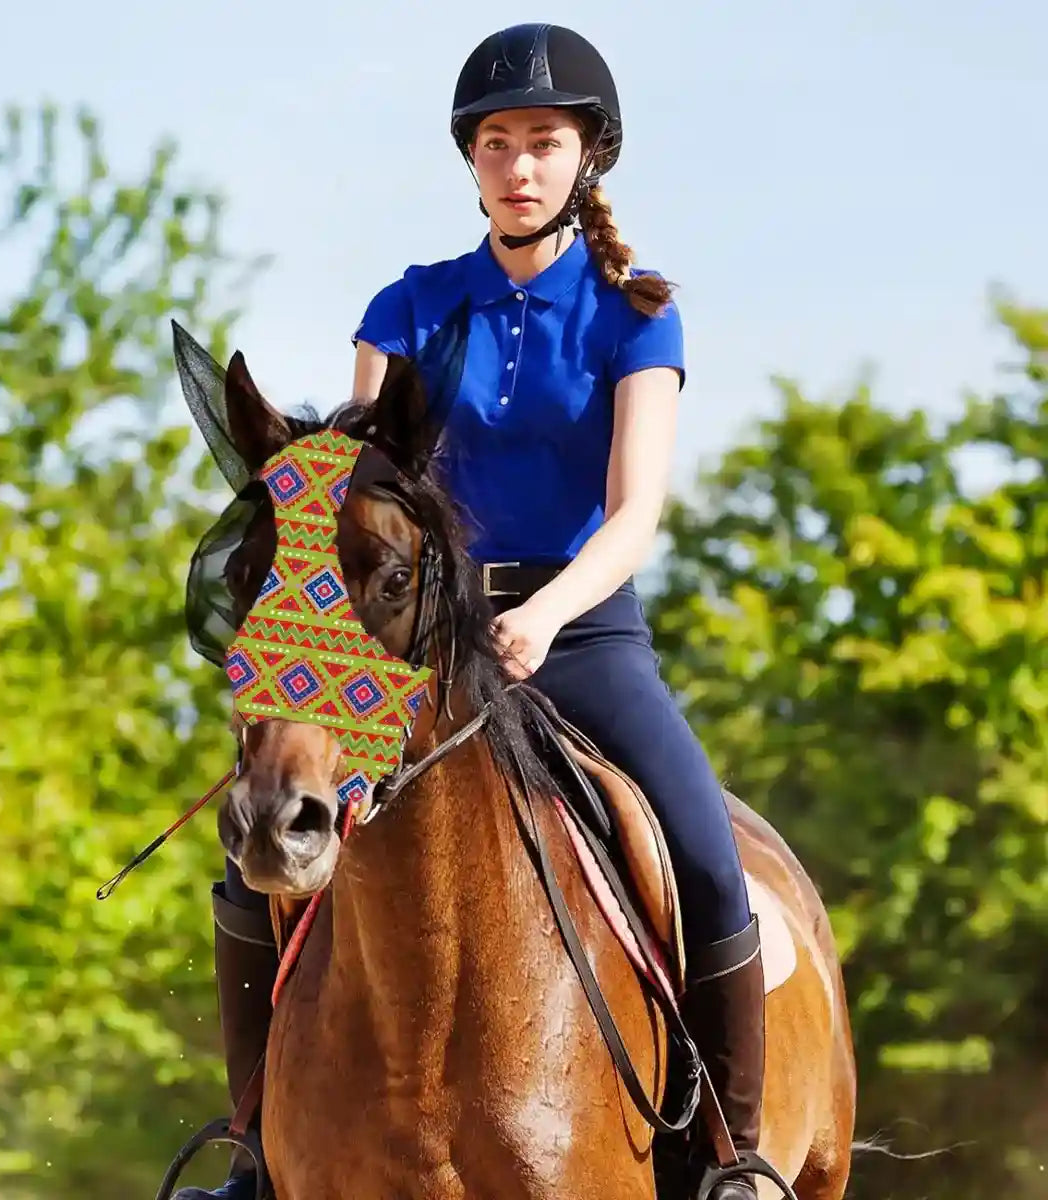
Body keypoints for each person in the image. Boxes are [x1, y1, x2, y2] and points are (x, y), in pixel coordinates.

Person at [178, 22, 767, 1200]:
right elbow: (354, 494)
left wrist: (547, 615)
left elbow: (635, 510)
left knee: (708, 862)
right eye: (496, 143)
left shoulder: (636, 312)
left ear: (587, 157)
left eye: (543, 142)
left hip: (581, 631)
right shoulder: (407, 307)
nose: (518, 165)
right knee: (254, 857)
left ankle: (733, 1159)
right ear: (472, 161)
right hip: (411, 638)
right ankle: (254, 1153)